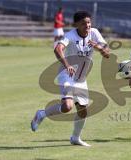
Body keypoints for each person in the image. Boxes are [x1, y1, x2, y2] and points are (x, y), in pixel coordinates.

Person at [31, 11, 110, 147]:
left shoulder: (95, 33)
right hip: (66, 74)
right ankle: (41, 114)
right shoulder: (70, 36)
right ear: (76, 25)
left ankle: (75, 138)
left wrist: (98, 47)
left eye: (89, 22)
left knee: (83, 111)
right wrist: (67, 65)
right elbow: (57, 49)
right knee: (68, 106)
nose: (88, 25)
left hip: (81, 78)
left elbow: (107, 53)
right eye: (84, 23)